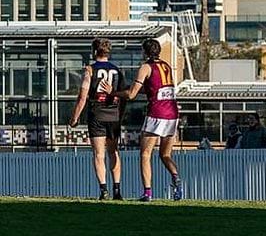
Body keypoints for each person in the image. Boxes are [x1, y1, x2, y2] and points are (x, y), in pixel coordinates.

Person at [117, 38, 183, 201]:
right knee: (165, 155)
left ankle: (147, 193)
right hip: (172, 113)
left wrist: (114, 93)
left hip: (157, 113)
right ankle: (177, 180)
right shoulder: (166, 66)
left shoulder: (146, 67)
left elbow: (131, 94)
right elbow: (157, 88)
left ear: (144, 52)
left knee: (145, 154)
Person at [69, 37, 124, 200]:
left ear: (94, 51)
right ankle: (117, 190)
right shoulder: (116, 70)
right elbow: (123, 94)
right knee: (114, 152)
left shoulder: (90, 70)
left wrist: (74, 117)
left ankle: (103, 190)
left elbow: (83, 96)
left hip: (97, 114)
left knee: (99, 154)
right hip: (113, 114)